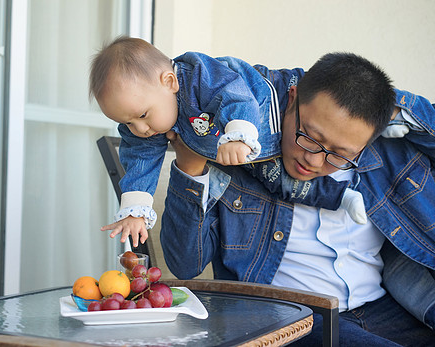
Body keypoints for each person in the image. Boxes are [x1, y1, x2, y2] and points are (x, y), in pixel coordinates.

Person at [160, 52, 435, 345]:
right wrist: (189, 168)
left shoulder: (385, 154)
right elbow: (185, 265)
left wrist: (398, 110)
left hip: (383, 307)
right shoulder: (239, 150)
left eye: (339, 155)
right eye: (310, 138)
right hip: (295, 317)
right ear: (292, 97)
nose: (315, 161)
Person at [89, 36, 366, 248]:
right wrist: (136, 210)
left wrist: (238, 133)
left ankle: (392, 119)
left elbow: (233, 93)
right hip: (250, 154)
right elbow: (139, 161)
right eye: (126, 123)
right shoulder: (146, 122)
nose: (139, 129)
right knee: (283, 182)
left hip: (269, 108)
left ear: (170, 81)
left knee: (338, 100)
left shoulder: (199, 74)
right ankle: (343, 196)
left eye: (141, 116)